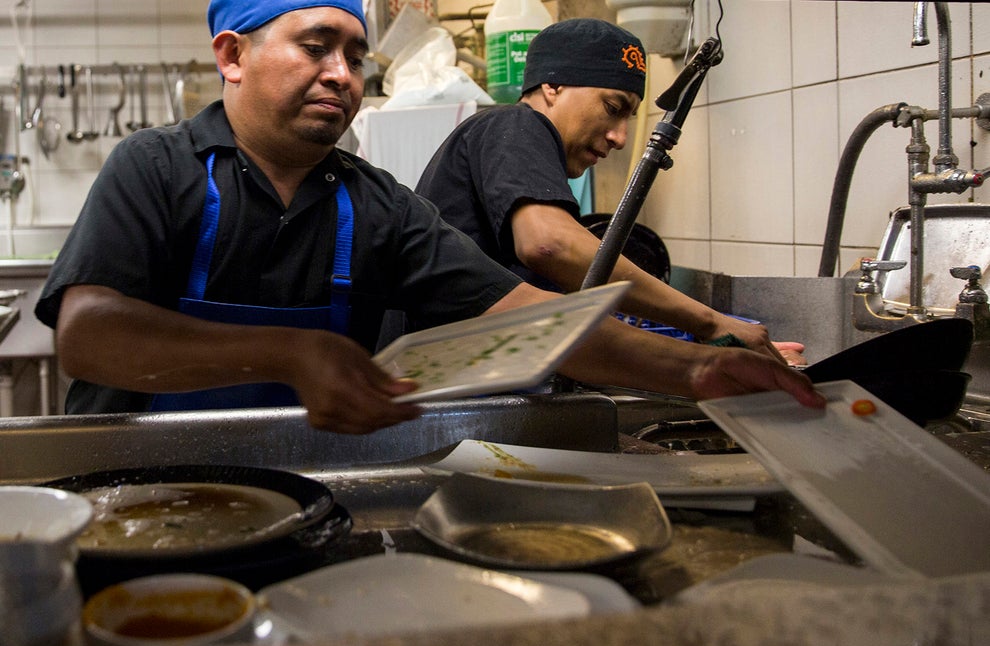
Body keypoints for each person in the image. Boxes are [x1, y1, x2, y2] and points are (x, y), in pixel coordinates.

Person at [34, 0, 823, 435]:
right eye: (316, 47)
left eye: (355, 57)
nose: (342, 75)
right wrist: (292, 353)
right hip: (140, 490)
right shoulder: (156, 167)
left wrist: (695, 369)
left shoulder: (375, 205)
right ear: (233, 57)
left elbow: (533, 321)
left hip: (307, 488)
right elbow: (89, 334)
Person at [416, 18, 805, 366]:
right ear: (552, 86)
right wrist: (711, 322)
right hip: (447, 386)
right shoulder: (514, 124)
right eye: (613, 107)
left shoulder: (511, 145)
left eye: (629, 118)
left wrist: (714, 357)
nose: (621, 137)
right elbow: (550, 245)